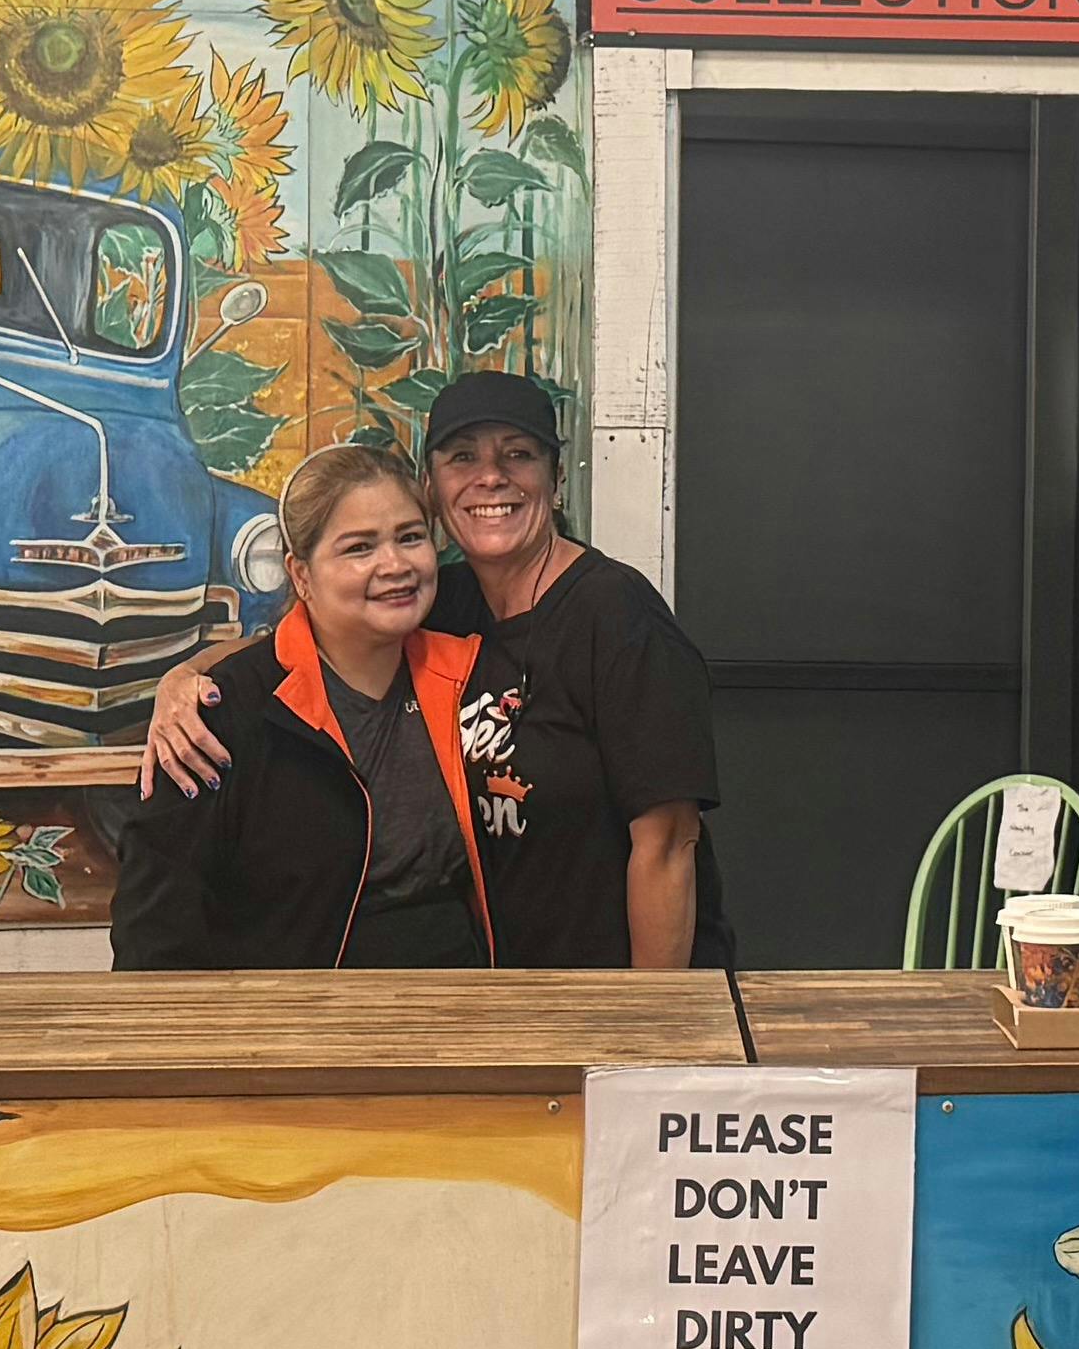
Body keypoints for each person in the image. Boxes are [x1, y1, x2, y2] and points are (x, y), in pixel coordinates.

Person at [140, 370, 721, 968]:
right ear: (432, 487)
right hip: (498, 989)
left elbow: (669, 844)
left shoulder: (618, 617)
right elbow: (302, 642)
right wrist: (184, 680)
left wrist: (651, 1013)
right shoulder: (441, 605)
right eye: (462, 457)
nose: (490, 477)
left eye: (518, 454)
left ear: (556, 478)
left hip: (612, 983)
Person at [106, 441, 497, 970]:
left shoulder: (470, 675)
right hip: (286, 1010)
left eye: (411, 537)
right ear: (302, 574)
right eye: (359, 548)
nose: (395, 565)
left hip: (460, 997)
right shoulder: (219, 711)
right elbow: (155, 924)